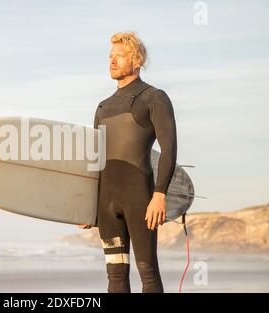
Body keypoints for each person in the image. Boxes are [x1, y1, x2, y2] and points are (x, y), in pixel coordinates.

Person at [79, 32, 177, 293]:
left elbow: (169, 148)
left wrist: (159, 194)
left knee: (148, 273)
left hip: (141, 200)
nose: (112, 61)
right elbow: (95, 159)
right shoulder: (103, 106)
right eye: (110, 57)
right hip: (107, 205)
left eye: (119, 56)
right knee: (115, 277)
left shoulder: (154, 98)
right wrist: (87, 206)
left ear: (136, 60)